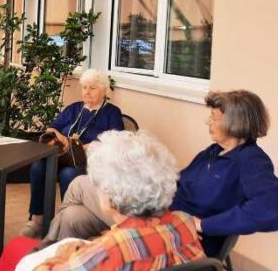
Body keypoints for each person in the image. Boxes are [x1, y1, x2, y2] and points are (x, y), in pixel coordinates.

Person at [41, 89, 278, 259]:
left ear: (236, 123)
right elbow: (176, 182)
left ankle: (47, 258)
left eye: (214, 118)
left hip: (174, 233)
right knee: (71, 217)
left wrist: (204, 224)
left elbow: (271, 209)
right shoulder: (214, 152)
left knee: (81, 183)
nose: (208, 122)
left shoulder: (251, 160)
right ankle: (56, 260)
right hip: (157, 216)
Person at [0, 130, 205, 271]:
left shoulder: (113, 248)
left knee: (23, 261)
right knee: (72, 216)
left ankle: (50, 240)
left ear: (110, 195)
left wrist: (63, 255)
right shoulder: (183, 221)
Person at [20, 69, 124, 239]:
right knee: (38, 167)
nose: (86, 92)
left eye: (92, 88)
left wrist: (83, 147)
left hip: (90, 159)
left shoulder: (112, 112)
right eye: (84, 87)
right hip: (63, 155)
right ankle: (38, 219)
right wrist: (61, 138)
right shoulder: (74, 108)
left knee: (69, 174)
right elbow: (52, 128)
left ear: (103, 90)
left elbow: (116, 140)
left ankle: (65, 222)